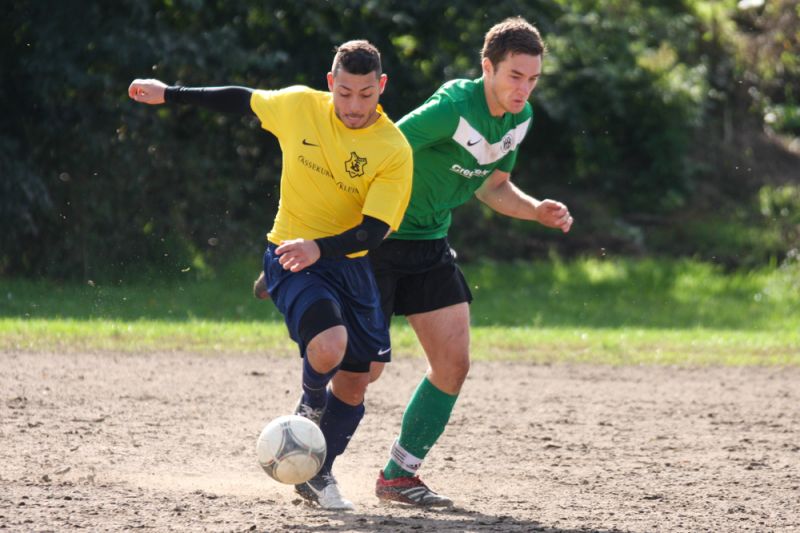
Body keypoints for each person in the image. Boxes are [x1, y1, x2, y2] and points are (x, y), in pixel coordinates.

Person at [129, 40, 413, 511]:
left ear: (381, 86)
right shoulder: (300, 107)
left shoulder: (393, 149)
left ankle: (316, 473)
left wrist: (320, 247)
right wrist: (170, 93)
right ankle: (310, 402)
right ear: (330, 83)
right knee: (330, 346)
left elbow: (374, 230)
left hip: (349, 262)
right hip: (291, 253)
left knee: (360, 379)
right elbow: (241, 99)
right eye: (344, 93)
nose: (354, 106)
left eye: (366, 94)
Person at [367, 17, 573, 507]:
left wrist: (535, 210)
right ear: (488, 67)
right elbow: (380, 148)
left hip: (430, 244)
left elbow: (494, 187)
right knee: (364, 371)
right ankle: (307, 434)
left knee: (453, 364)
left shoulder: (519, 119)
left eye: (533, 79)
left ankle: (398, 476)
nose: (524, 89)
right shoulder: (452, 108)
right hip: (379, 242)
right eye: (515, 76)